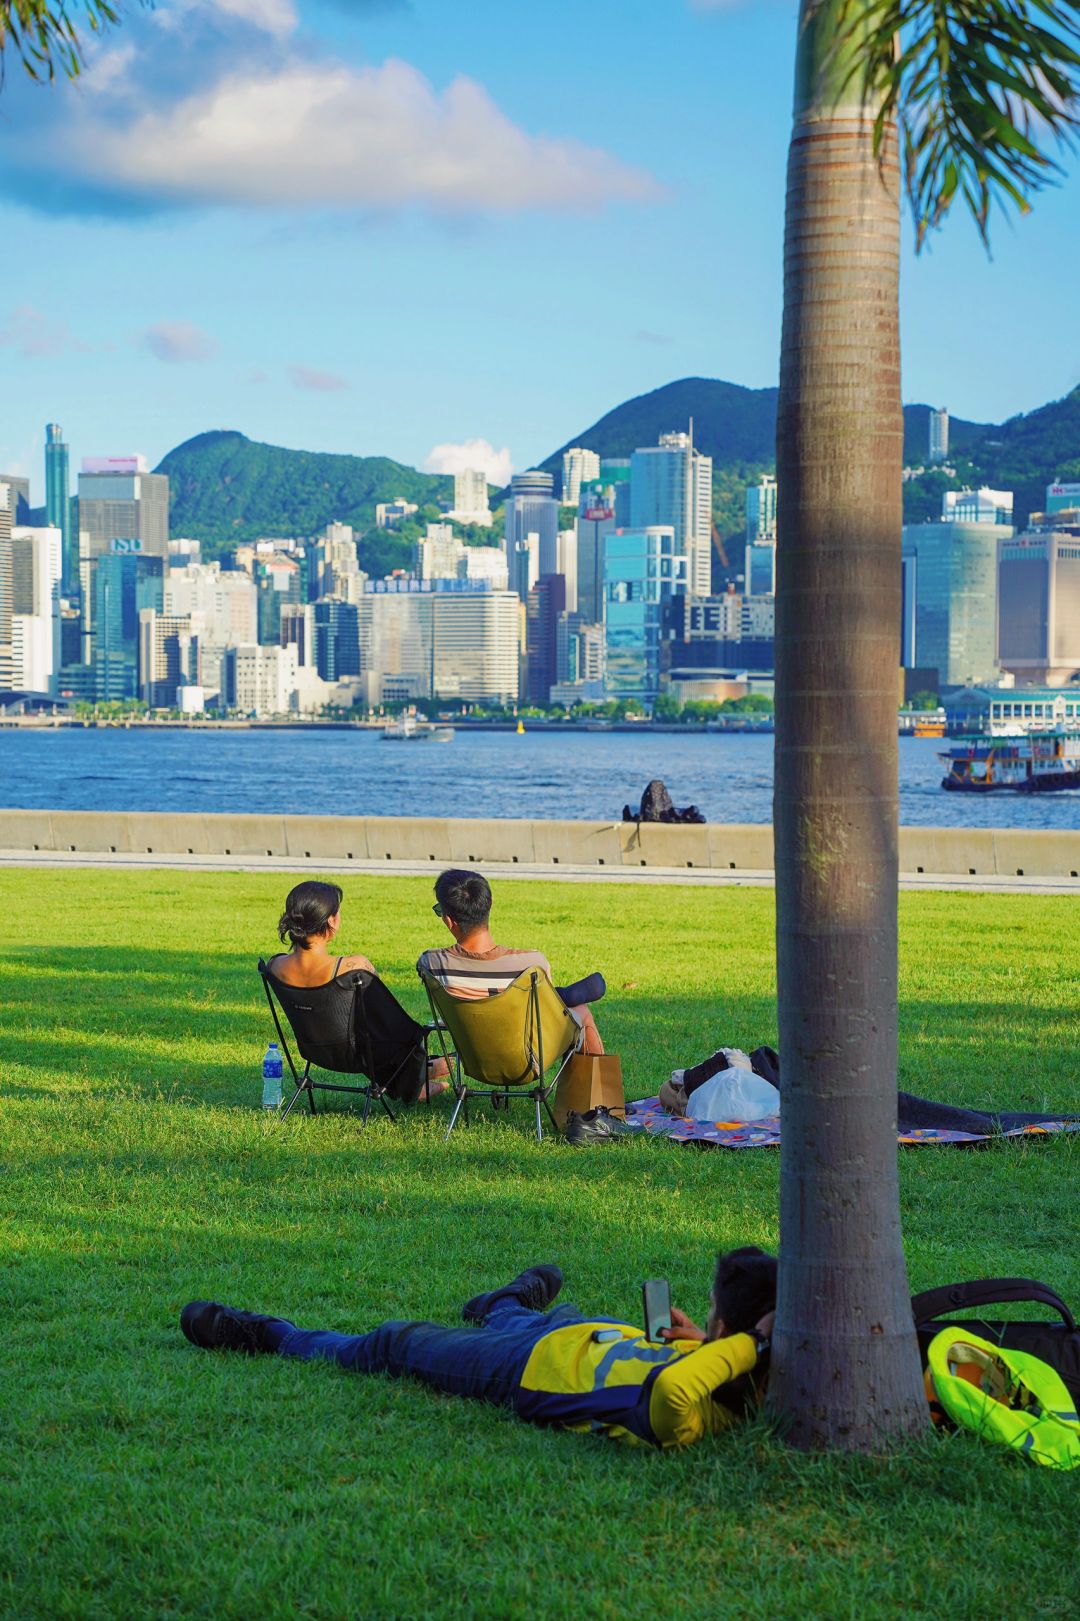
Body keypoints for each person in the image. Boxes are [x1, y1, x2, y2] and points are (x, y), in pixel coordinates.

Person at [179, 1248, 778, 1449]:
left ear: (737, 1338)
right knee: (549, 1313)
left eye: (711, 1317)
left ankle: (268, 1334)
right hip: (582, 1335)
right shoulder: (717, 1362)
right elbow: (693, 1367)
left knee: (394, 1343)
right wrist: (707, 1343)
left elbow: (672, 1388)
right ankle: (503, 1302)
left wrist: (747, 1343)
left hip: (528, 1374)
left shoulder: (695, 1416)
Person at [269, 879, 449, 1099]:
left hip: (313, 1051)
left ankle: (422, 1073)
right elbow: (390, 1023)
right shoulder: (353, 967)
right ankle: (415, 1082)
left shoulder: (274, 966)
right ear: (331, 921)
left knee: (373, 1033)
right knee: (391, 1034)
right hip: (359, 1056)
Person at [417, 869, 604, 1055]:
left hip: (475, 1059)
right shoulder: (532, 963)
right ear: (489, 904)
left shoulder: (431, 963)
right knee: (581, 1011)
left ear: (449, 921)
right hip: (527, 1060)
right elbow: (549, 1016)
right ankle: (603, 1086)